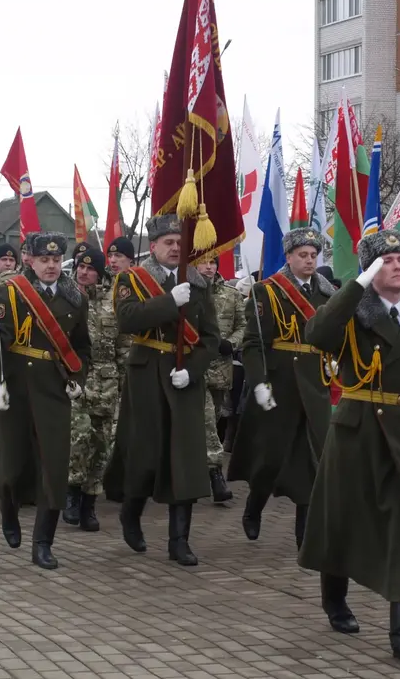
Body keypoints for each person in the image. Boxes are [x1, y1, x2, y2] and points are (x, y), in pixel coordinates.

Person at [299, 230, 400, 670]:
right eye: (386, 259)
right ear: (371, 268)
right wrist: (354, 286)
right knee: (342, 522)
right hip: (357, 431)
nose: (397, 264)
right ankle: (335, 600)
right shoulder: (354, 312)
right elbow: (317, 333)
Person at [0, 232, 91, 569]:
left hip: (54, 389)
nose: (51, 266)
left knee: (55, 468)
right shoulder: (9, 293)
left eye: (56, 260)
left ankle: (43, 542)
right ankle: (8, 508)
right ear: (30, 260)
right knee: (12, 462)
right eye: (44, 260)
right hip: (17, 385)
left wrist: (77, 379)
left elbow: (82, 347)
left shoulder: (74, 298)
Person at [110, 212, 220, 566]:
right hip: (147, 373)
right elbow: (127, 319)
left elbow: (210, 337)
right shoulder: (133, 279)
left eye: (179, 243)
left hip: (183, 376)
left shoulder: (199, 285)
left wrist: (192, 369)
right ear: (153, 246)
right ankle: (131, 512)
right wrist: (168, 301)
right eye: (168, 243)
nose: (175, 249)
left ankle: (179, 540)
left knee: (185, 458)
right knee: (144, 453)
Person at [230, 227, 334, 545]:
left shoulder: (328, 294)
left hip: (314, 386)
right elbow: (253, 343)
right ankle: (254, 507)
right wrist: (258, 382)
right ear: (289, 257)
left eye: (313, 255)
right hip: (280, 384)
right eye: (303, 255)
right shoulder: (268, 291)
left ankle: (305, 531)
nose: (309, 261)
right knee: (269, 458)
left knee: (312, 460)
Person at [62, 246, 122, 532]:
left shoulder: (115, 301)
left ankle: (89, 502)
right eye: (80, 267)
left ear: (100, 272)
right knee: (79, 438)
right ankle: (71, 493)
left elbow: (125, 345)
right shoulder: (65, 297)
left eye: (90, 269)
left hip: (108, 383)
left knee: (102, 446)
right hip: (75, 380)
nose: (84, 273)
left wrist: (124, 381)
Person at [197, 254, 243, 503]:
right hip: (192, 370)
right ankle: (215, 474)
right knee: (204, 423)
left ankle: (204, 472)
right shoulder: (186, 292)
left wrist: (231, 343)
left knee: (212, 423)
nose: (208, 267)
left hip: (219, 372)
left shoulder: (231, 294)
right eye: (203, 261)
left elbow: (244, 326)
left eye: (212, 262)